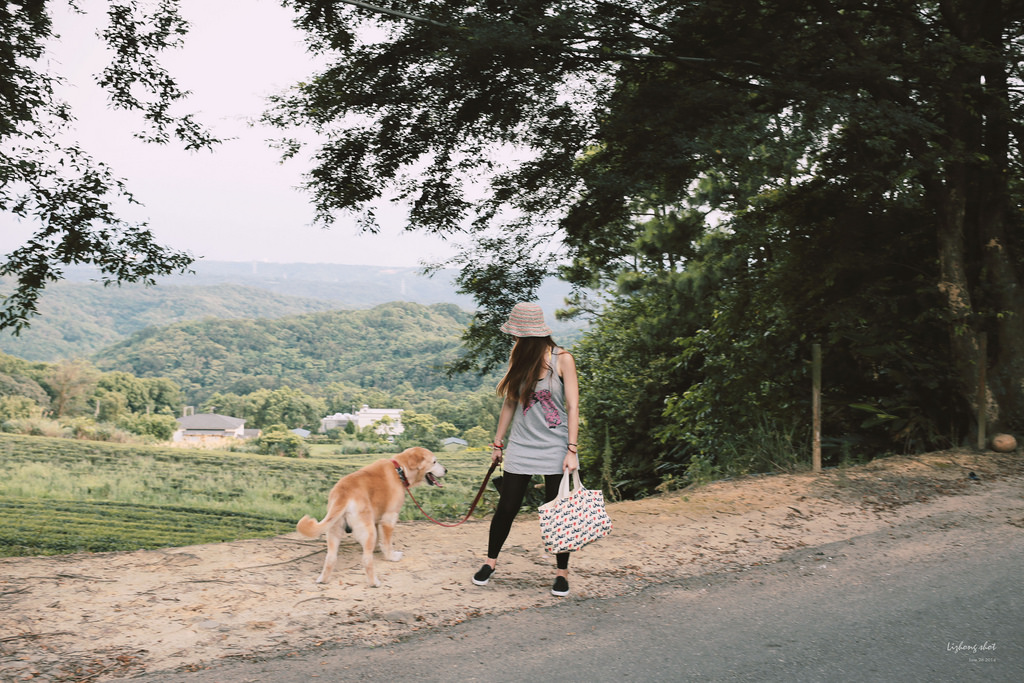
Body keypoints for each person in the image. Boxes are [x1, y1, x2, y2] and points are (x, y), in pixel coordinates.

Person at [472, 302, 580, 597]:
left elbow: (572, 406)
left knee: (558, 511)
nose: (514, 339)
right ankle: (490, 562)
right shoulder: (518, 360)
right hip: (521, 445)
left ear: (529, 335)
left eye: (518, 334)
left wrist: (572, 449)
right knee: (507, 507)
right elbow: (509, 402)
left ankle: (562, 573)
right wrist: (498, 443)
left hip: (557, 446)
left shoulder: (563, 359)